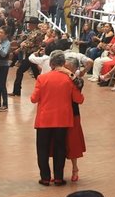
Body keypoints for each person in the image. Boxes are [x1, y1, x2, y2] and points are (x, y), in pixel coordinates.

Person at [31, 52, 83, 185]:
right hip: (63, 120)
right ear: (63, 63)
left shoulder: (42, 78)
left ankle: (45, 178)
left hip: (44, 120)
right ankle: (59, 178)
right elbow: (79, 99)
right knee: (60, 148)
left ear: (50, 64)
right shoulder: (69, 79)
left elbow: (33, 99)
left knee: (42, 149)